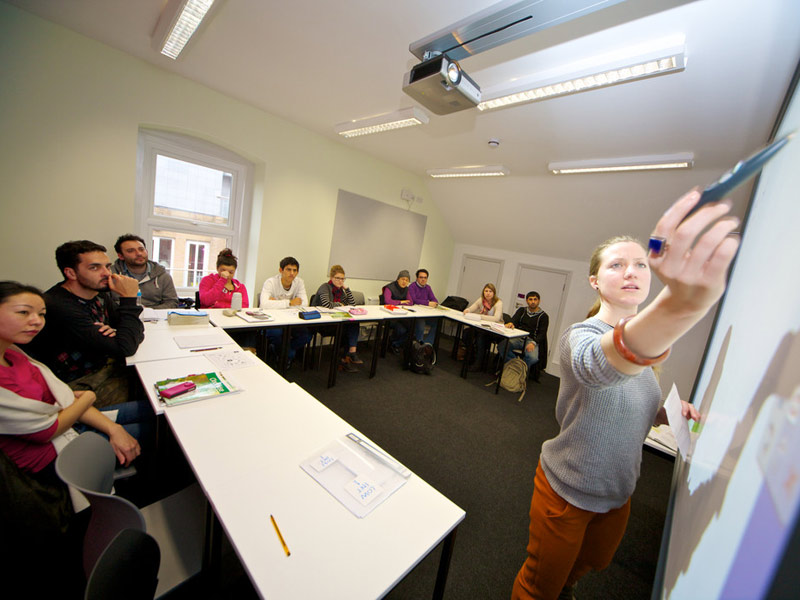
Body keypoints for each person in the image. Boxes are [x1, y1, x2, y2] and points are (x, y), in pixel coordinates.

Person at [511, 188, 740, 600]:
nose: (632, 271)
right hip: (567, 491)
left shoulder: (645, 357)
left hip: (617, 494)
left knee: (588, 565)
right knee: (538, 586)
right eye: (617, 265)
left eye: (640, 264)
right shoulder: (580, 336)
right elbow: (598, 367)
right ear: (595, 281)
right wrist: (678, 307)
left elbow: (632, 403)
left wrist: (667, 413)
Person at [0, 281, 151, 596]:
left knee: (151, 410)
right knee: (159, 430)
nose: (36, 321)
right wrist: (85, 399)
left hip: (68, 424)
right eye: (24, 312)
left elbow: (66, 400)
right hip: (53, 455)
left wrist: (112, 427)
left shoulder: (16, 356)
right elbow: (48, 428)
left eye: (40, 314)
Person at [26, 240, 145, 406]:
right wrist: (129, 299)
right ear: (71, 273)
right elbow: (126, 347)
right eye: (94, 268)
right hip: (74, 385)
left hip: (103, 367)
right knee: (149, 398)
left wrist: (119, 333)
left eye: (107, 266)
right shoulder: (59, 305)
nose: (106, 274)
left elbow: (133, 328)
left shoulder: (98, 293)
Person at [259, 257, 311, 367]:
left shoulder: (299, 282)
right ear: (280, 270)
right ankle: (288, 355)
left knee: (306, 336)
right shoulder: (270, 282)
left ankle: (283, 352)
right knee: (276, 334)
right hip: (273, 320)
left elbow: (304, 303)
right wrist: (290, 303)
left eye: (295, 270)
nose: (292, 273)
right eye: (288, 269)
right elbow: (264, 304)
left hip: (291, 319)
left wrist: (276, 302)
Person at [313, 265, 362, 372]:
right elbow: (326, 304)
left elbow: (352, 304)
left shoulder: (340, 291)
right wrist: (340, 304)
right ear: (331, 277)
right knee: (345, 330)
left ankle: (351, 353)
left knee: (353, 323)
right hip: (322, 322)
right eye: (337, 278)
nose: (340, 281)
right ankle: (343, 359)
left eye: (342, 279)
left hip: (336, 320)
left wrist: (347, 290)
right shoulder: (325, 287)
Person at [111, 234, 179, 309]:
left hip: (155, 318)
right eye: (131, 251)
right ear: (121, 256)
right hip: (123, 316)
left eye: (141, 249)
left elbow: (172, 302)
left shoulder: (163, 276)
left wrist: (149, 311)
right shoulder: (111, 275)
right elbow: (106, 304)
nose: (139, 253)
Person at [504, 291, 549, 378]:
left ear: (539, 301)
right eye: (530, 299)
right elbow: (513, 321)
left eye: (535, 299)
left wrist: (533, 343)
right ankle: (516, 365)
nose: (533, 301)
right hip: (518, 337)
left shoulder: (543, 316)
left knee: (533, 358)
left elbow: (542, 334)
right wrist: (510, 324)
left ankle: (520, 373)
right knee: (502, 347)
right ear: (527, 301)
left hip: (531, 341)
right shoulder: (522, 310)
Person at [462, 283, 503, 371]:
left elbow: (496, 318)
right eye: (486, 291)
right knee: (466, 333)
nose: (488, 293)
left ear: (494, 293)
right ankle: (471, 356)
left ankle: (478, 363)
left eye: (490, 291)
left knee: (480, 338)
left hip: (493, 329)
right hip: (481, 327)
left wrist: (480, 317)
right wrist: (467, 310)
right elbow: (472, 308)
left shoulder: (498, 303)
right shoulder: (481, 300)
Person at [382, 270, 413, 354]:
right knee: (401, 329)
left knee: (413, 327)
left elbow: (410, 302)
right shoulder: (389, 287)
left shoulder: (407, 289)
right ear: (398, 279)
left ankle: (395, 343)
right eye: (403, 279)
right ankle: (392, 343)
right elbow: (387, 301)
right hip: (389, 316)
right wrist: (400, 302)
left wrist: (401, 304)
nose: (404, 282)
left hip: (402, 316)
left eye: (407, 280)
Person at [407, 268, 439, 345]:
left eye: (425, 278)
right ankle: (418, 345)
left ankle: (426, 344)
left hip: (426, 313)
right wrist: (427, 303)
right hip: (416, 314)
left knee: (437, 323)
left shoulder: (428, 287)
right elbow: (414, 300)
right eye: (421, 277)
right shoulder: (412, 286)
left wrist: (435, 303)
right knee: (421, 324)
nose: (423, 280)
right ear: (417, 278)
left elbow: (434, 299)